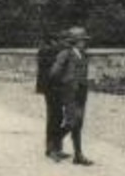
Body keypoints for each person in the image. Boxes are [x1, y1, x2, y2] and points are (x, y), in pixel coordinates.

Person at [51, 26, 94, 166]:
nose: (84, 43)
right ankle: (54, 145)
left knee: (78, 123)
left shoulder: (83, 54)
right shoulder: (65, 54)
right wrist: (64, 83)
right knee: (72, 121)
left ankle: (78, 155)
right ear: (75, 41)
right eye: (82, 40)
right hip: (69, 92)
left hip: (81, 92)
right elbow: (54, 72)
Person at [36, 30, 68, 161]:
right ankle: (51, 149)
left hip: (53, 88)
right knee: (54, 117)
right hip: (51, 88)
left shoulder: (48, 49)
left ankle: (56, 147)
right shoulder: (47, 50)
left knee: (57, 116)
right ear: (53, 40)